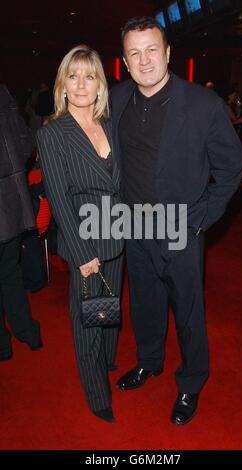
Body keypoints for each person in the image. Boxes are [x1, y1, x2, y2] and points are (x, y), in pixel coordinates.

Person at [110, 17, 242, 425]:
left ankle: (190, 383)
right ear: (125, 62)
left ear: (168, 54)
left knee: (187, 311)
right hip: (133, 225)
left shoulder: (203, 105)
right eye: (135, 52)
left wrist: (201, 218)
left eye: (152, 50)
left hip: (180, 228)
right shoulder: (115, 100)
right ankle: (149, 361)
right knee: (145, 304)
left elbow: (231, 167)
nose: (144, 59)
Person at [36, 45, 124, 423]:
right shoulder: (53, 133)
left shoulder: (110, 124)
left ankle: (106, 362)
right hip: (84, 239)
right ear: (63, 85)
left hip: (118, 235)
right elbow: (57, 197)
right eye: (74, 76)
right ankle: (95, 392)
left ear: (100, 84)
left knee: (110, 310)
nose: (82, 84)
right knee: (89, 317)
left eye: (90, 75)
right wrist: (81, 252)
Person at [0, 84, 43, 361]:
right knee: (10, 273)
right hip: (11, 205)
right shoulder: (4, 95)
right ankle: (27, 332)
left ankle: (3, 346)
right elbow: (27, 144)